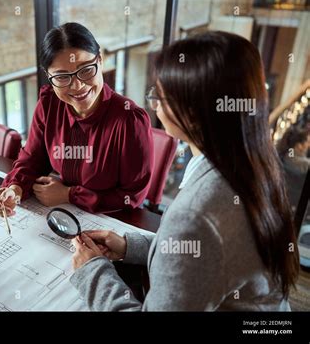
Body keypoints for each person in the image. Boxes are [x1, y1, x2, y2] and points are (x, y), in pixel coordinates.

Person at [69, 31, 300, 311]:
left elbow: (198, 235)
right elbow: (207, 254)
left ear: (194, 112)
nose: (153, 104)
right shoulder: (253, 161)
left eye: (160, 96)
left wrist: (92, 271)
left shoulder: (197, 214)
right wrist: (131, 246)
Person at [0, 22, 153, 215]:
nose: (77, 86)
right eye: (62, 77)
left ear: (100, 61)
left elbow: (132, 196)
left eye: (86, 70)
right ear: (48, 76)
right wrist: (15, 188)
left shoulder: (130, 120)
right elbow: (32, 159)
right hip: (63, 213)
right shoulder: (49, 103)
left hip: (111, 220)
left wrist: (69, 195)